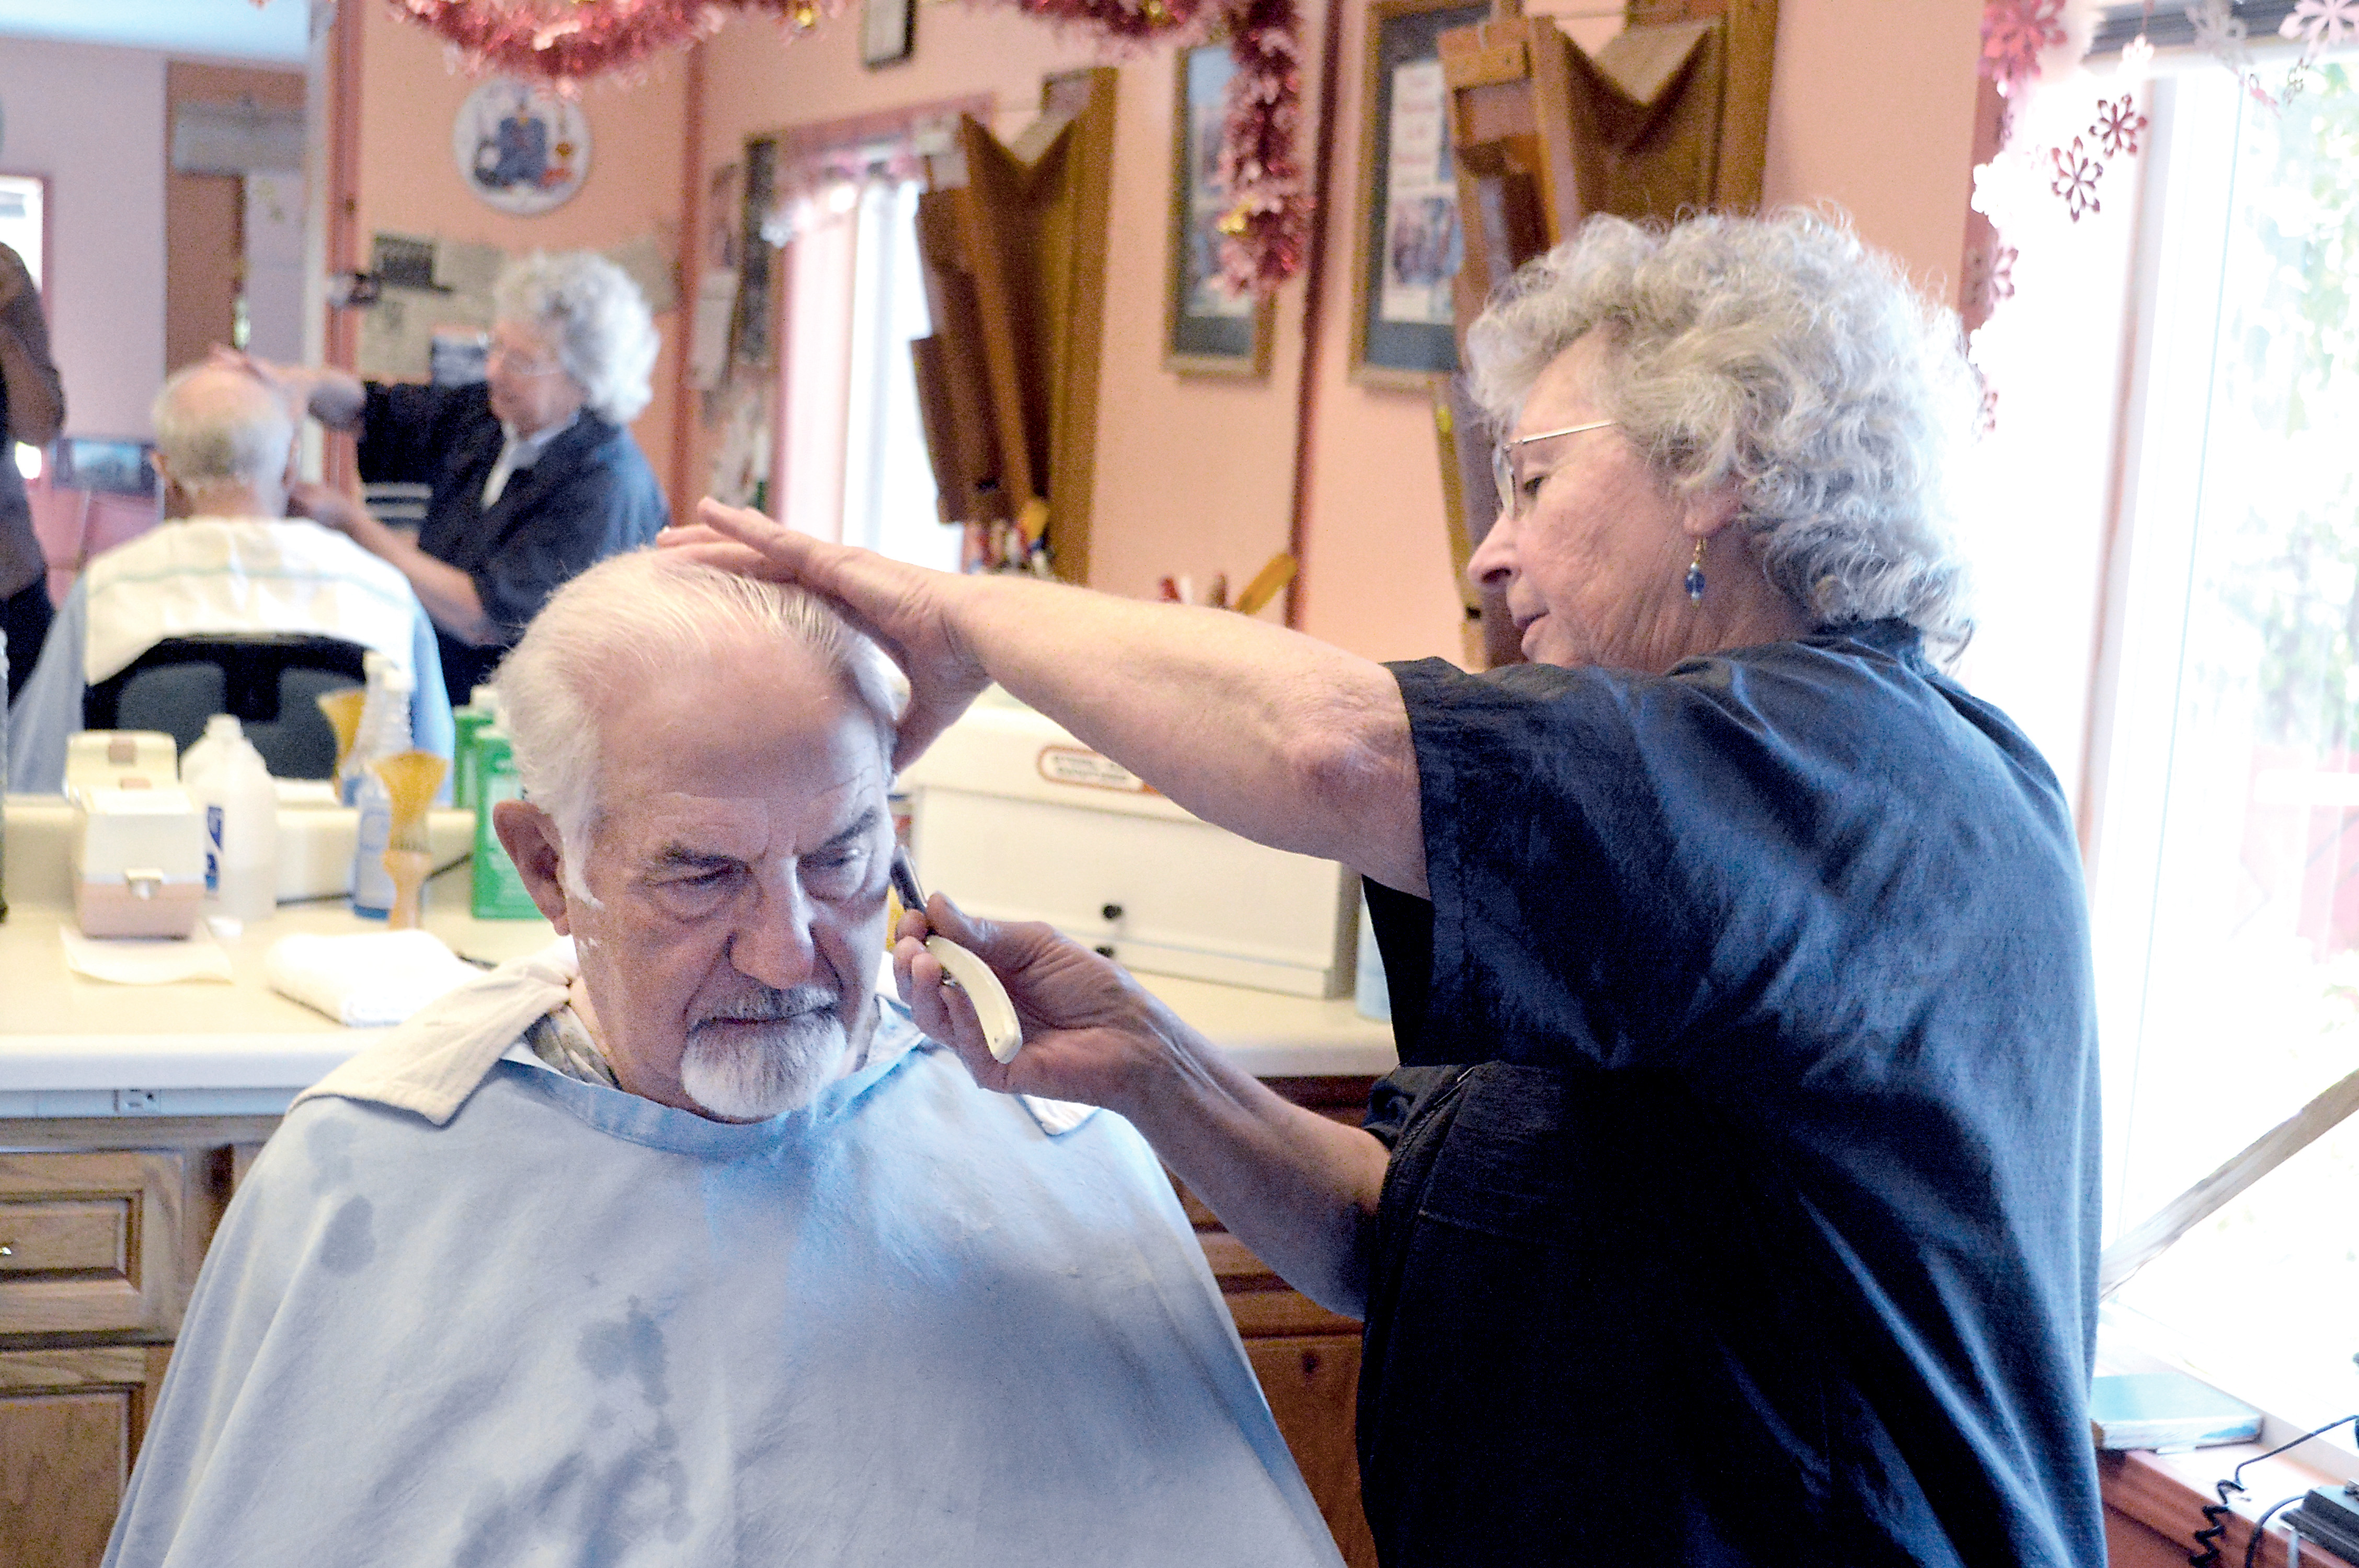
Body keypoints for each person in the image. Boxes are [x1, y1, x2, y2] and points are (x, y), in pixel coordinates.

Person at [667, 210, 2105, 1566]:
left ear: (1715, 472)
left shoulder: (1846, 777)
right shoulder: (1680, 828)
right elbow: (1409, 1236)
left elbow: (1331, 747)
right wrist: (1156, 1070)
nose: (1491, 551)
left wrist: (954, 613)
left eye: (1532, 482)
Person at [101, 549, 1347, 1568]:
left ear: (894, 828)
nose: (785, 948)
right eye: (702, 873)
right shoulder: (370, 1169)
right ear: (548, 866)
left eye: (840, 858)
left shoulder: (1041, 1124)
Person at [236, 249, 668, 705]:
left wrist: (350, 524)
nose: (494, 371)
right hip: (444, 686)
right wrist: (303, 384)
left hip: (522, 719)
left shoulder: (605, 485)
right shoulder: (489, 418)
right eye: (495, 347)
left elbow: (482, 617)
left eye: (521, 361)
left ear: (588, 381)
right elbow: (375, 412)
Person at [7, 363, 451, 791]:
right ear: (289, 464)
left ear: (166, 473)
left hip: (149, 860)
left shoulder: (106, 593)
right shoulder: (383, 595)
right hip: (345, 864)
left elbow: (37, 774)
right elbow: (437, 780)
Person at [0, 238, 65, 704]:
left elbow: (41, 426)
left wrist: (3, 332)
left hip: (9, 573)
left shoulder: (7, 276)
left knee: (35, 736)